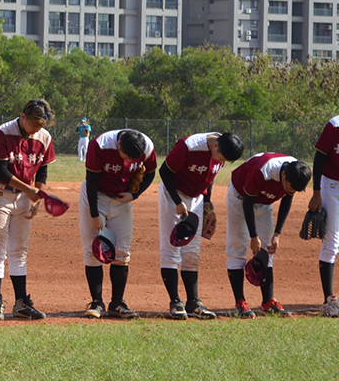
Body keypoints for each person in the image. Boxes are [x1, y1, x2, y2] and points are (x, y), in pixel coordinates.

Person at [156, 132, 244, 320]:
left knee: (192, 251)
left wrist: (207, 203)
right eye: (221, 157)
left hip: (196, 198)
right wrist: (177, 201)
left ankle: (193, 302)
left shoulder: (221, 152)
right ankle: (175, 302)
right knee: (171, 249)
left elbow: (209, 178)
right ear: (216, 146)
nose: (221, 161)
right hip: (173, 195)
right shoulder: (189, 146)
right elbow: (164, 171)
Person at [0, 99, 55, 321]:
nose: (37, 129)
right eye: (34, 124)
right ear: (22, 117)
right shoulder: (3, 134)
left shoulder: (44, 137)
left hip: (25, 198)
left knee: (20, 250)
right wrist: (30, 190)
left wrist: (37, 197)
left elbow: (42, 172)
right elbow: (1, 171)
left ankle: (21, 303)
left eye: (41, 125)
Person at [79, 129, 158, 320]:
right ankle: (97, 302)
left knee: (122, 252)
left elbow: (151, 172)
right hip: (95, 196)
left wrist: (135, 195)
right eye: (126, 157)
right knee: (92, 250)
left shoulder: (146, 146)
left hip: (122, 201)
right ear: (119, 145)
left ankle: (117, 303)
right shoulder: (100, 145)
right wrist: (95, 213)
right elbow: (92, 180)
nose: (129, 163)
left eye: (134, 160)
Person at [225, 152, 311, 317]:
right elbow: (248, 202)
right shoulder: (263, 171)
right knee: (237, 248)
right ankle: (240, 302)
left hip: (264, 202)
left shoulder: (296, 173)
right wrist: (253, 236)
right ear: (283, 174)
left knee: (268, 249)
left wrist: (277, 234)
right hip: (240, 198)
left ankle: (268, 302)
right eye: (290, 185)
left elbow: (287, 200)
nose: (291, 189)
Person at [310, 116, 339, 317]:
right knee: (332, 241)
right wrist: (317, 192)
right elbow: (319, 158)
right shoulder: (334, 126)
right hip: (331, 186)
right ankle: (328, 300)